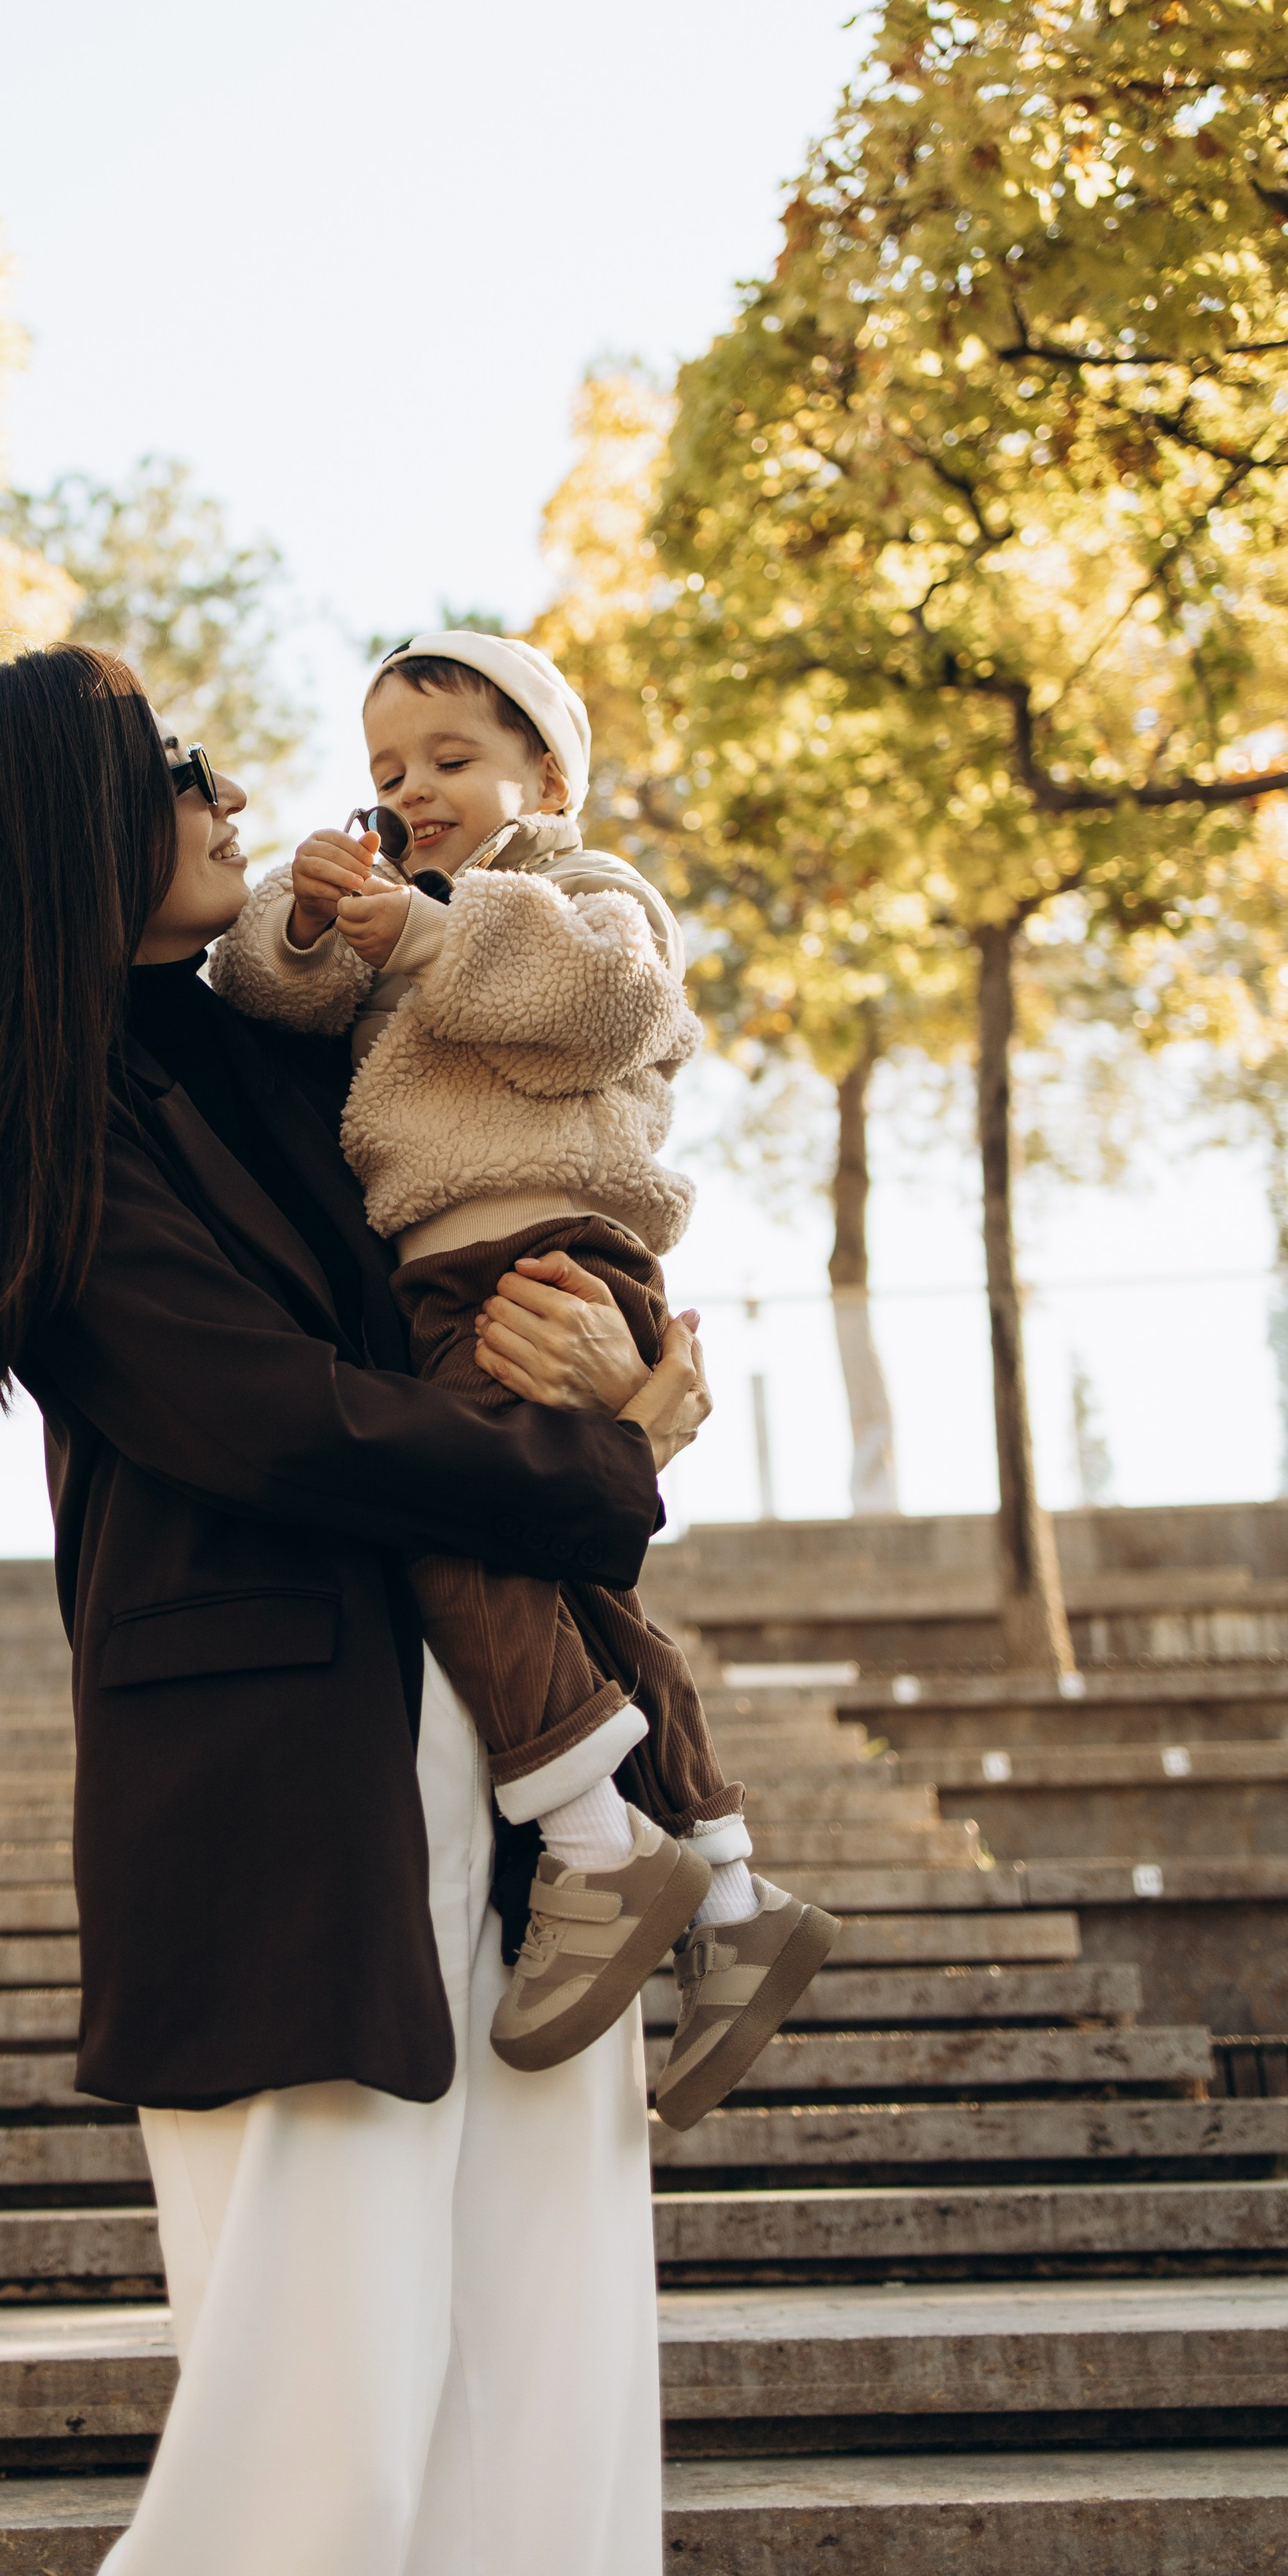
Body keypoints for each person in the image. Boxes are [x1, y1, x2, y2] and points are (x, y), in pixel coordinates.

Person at [0, 642, 713, 2576]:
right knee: (313, 2439)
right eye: (172, 766)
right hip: (286, 1815)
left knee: (552, 2405)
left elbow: (519, 1198)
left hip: (508, 1769)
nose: (231, 793)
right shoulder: (46, 1121)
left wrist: (615, 1364)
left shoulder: (297, 1034)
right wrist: (595, 1468)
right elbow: (272, 1423)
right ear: (65, 821)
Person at [208, 631, 836, 2109]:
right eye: (384, 772)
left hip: (549, 1257)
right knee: (574, 1586)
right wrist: (307, 929)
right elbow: (264, 1000)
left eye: (448, 760)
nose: (411, 791)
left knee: (454, 1528)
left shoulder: (581, 890)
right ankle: (736, 1896)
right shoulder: (399, 922)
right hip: (450, 1277)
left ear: (546, 777)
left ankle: (591, 1840)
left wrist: (426, 936)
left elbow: (606, 1007)